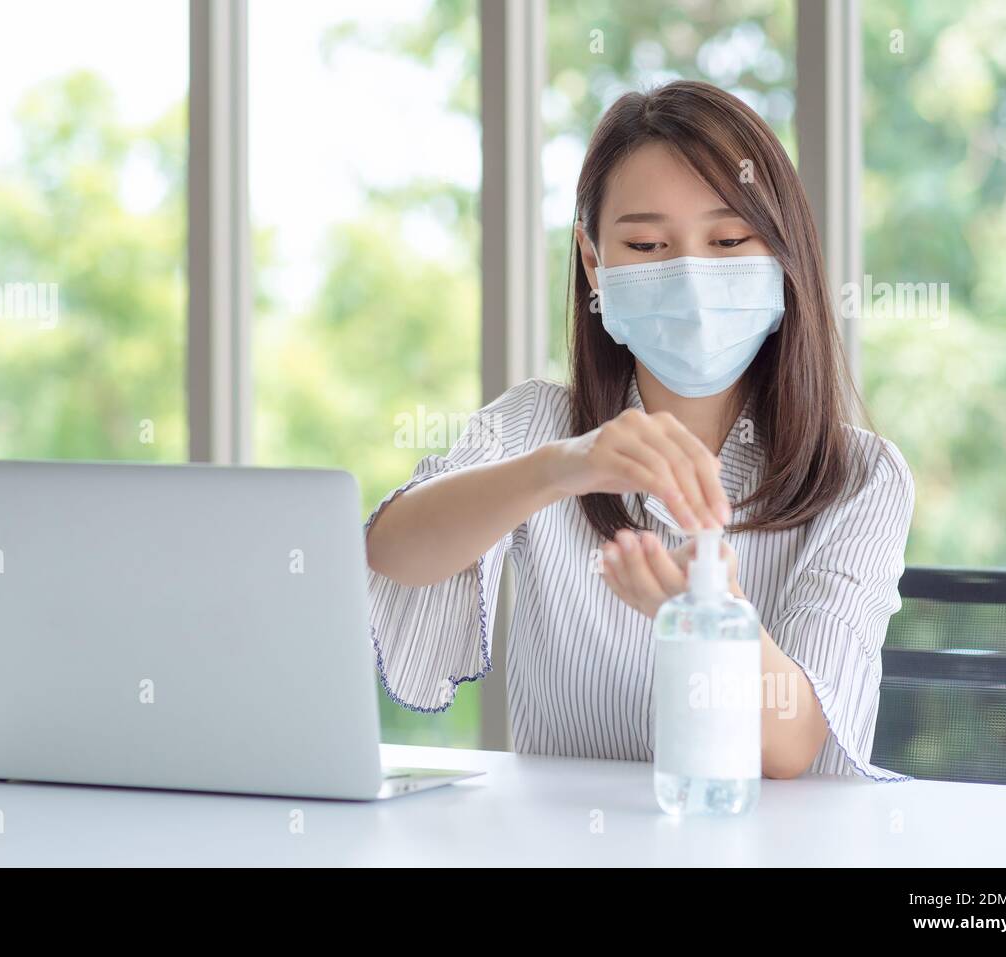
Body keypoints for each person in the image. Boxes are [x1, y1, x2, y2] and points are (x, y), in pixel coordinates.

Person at [364, 80, 914, 781]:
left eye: (728, 239)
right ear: (595, 264)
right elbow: (395, 551)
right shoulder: (539, 425)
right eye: (649, 243)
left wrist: (708, 618)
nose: (690, 276)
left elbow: (794, 741)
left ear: (781, 256)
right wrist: (563, 467)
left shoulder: (860, 475)